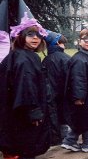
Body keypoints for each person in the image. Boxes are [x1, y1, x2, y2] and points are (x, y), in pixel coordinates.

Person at [0, 11, 50, 159]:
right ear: (21, 36)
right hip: (24, 114)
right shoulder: (23, 58)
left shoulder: (20, 55)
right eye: (30, 34)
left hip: (17, 113)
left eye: (38, 35)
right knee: (25, 149)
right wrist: (33, 110)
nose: (35, 38)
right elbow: (26, 86)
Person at [61, 27, 88, 153]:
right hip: (83, 97)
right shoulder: (79, 59)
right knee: (86, 118)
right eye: (85, 39)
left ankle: (70, 140)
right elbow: (77, 79)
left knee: (83, 118)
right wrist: (78, 97)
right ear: (79, 41)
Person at [42, 30, 71, 144]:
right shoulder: (66, 58)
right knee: (64, 119)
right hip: (64, 95)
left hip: (51, 96)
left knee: (54, 117)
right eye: (63, 43)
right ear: (58, 44)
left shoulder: (46, 60)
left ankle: (56, 139)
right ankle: (64, 138)